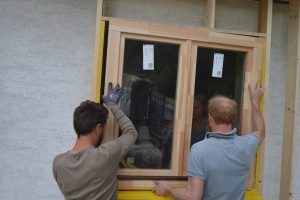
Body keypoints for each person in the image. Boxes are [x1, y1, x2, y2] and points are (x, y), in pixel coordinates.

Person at [153, 82, 265, 200]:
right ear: (233, 118)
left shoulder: (199, 150)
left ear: (210, 118)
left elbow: (193, 197)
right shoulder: (246, 144)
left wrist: (169, 190)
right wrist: (255, 101)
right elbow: (261, 132)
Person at [52, 82, 138, 200]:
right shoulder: (105, 155)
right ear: (98, 129)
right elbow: (131, 132)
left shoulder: (58, 164)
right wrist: (113, 106)